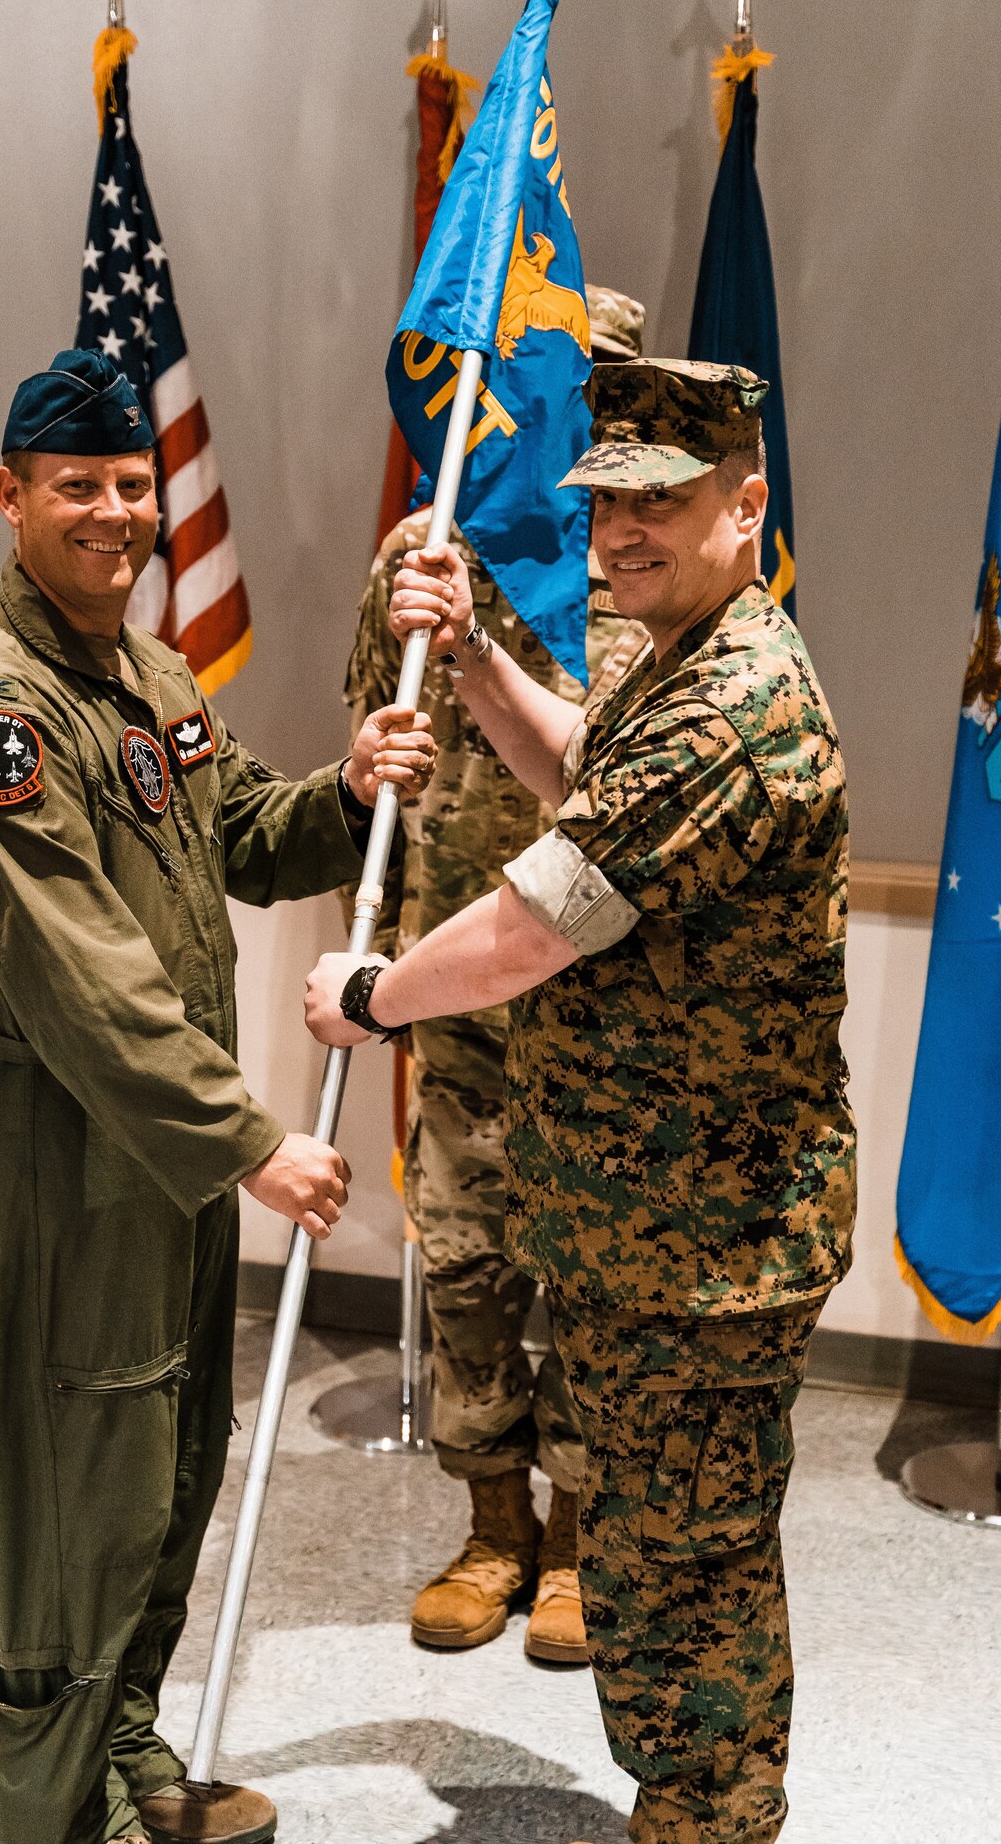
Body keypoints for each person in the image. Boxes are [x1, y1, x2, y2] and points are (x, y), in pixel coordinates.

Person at [306, 357, 856, 1844]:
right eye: (607, 505)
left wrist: (371, 996)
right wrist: (479, 659)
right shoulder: (660, 657)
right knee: (653, 1562)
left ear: (745, 506)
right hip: (640, 1228)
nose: (620, 538)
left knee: (691, 1574)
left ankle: (709, 1819)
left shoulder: (732, 700)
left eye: (661, 507)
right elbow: (577, 783)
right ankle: (682, 1804)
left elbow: (545, 919)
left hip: (706, 1241)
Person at [0, 350, 434, 1844]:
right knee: (72, 1491)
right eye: (79, 485)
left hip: (159, 1161)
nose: (116, 510)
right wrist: (252, 1140)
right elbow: (77, 978)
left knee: (162, 1467)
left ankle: (123, 1757)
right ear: (11, 496)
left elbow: (234, 836)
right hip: (55, 1162)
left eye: (133, 484)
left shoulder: (146, 675)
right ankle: (51, 1812)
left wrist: (343, 790)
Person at [345, 284, 648, 1666]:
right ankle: (489, 1528)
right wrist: (372, 759)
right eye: (537, 381)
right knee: (463, 1262)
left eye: (588, 388)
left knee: (588, 1269)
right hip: (453, 967)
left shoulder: (652, 565)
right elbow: (372, 727)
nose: (558, 412)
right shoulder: (428, 547)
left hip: (597, 982)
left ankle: (583, 1537)